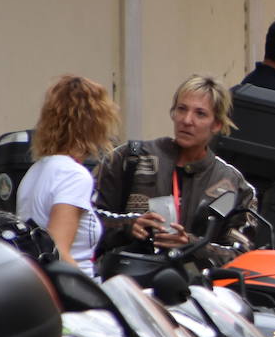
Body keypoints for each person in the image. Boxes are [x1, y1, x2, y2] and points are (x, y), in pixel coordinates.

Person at [96, 75, 257, 268]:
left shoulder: (231, 184)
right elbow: (84, 224)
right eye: (182, 109)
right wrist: (128, 227)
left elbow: (242, 256)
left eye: (200, 114)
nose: (187, 120)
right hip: (127, 284)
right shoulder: (129, 159)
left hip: (193, 291)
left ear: (217, 125)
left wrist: (192, 245)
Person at [17, 75, 121, 275]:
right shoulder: (74, 176)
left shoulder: (35, 171)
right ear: (95, 123)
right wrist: (95, 295)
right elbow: (58, 252)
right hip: (74, 296)